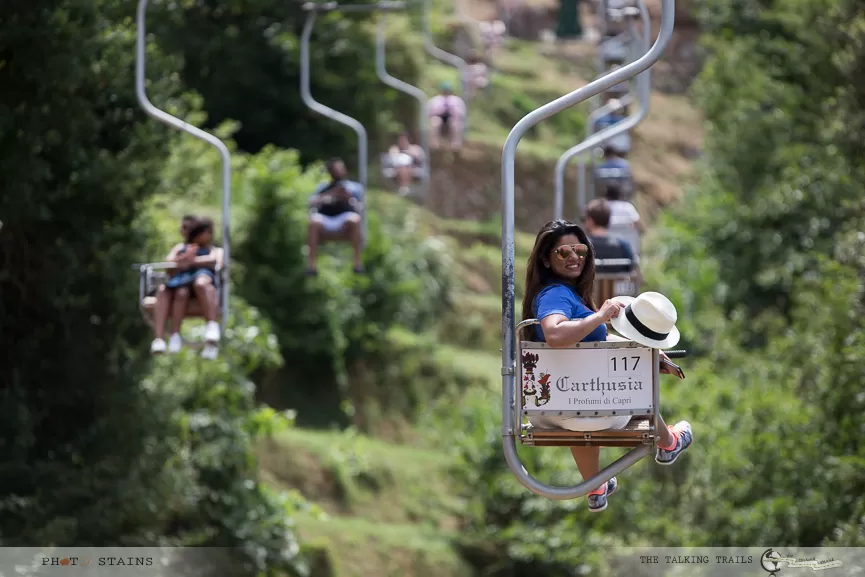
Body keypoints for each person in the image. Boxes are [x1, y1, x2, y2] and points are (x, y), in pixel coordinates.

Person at [521, 219, 693, 512]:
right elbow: (554, 333)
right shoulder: (555, 295)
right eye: (564, 252)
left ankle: (595, 486)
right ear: (546, 260)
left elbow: (594, 340)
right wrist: (601, 316)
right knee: (620, 385)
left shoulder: (563, 295)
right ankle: (668, 442)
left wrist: (652, 356)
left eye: (580, 250)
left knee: (586, 397)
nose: (574, 257)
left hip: (553, 411)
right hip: (600, 410)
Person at [150, 216, 223, 358]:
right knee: (173, 292)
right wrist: (182, 260)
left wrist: (192, 261)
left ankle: (211, 327)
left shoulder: (214, 250)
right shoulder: (180, 248)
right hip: (181, 283)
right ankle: (161, 338)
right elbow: (168, 264)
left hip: (199, 283)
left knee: (200, 284)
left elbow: (216, 261)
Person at [307, 158, 365, 275]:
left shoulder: (354, 188)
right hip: (326, 219)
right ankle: (311, 266)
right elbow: (311, 203)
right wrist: (330, 193)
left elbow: (361, 207)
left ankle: (357, 263)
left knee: (355, 219)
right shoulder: (323, 187)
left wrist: (348, 197)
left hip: (344, 219)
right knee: (313, 221)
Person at [583, 198, 637, 275]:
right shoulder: (623, 245)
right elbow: (632, 270)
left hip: (591, 286)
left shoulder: (582, 245)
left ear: (590, 221)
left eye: (584, 219)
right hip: (615, 286)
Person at [427, 82, 466, 151]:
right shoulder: (435, 100)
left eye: (447, 91)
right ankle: (434, 143)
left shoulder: (457, 100)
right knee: (435, 121)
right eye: (445, 91)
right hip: (439, 118)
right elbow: (429, 113)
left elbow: (462, 114)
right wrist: (440, 110)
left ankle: (455, 144)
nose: (446, 92)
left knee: (455, 123)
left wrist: (453, 111)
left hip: (452, 118)